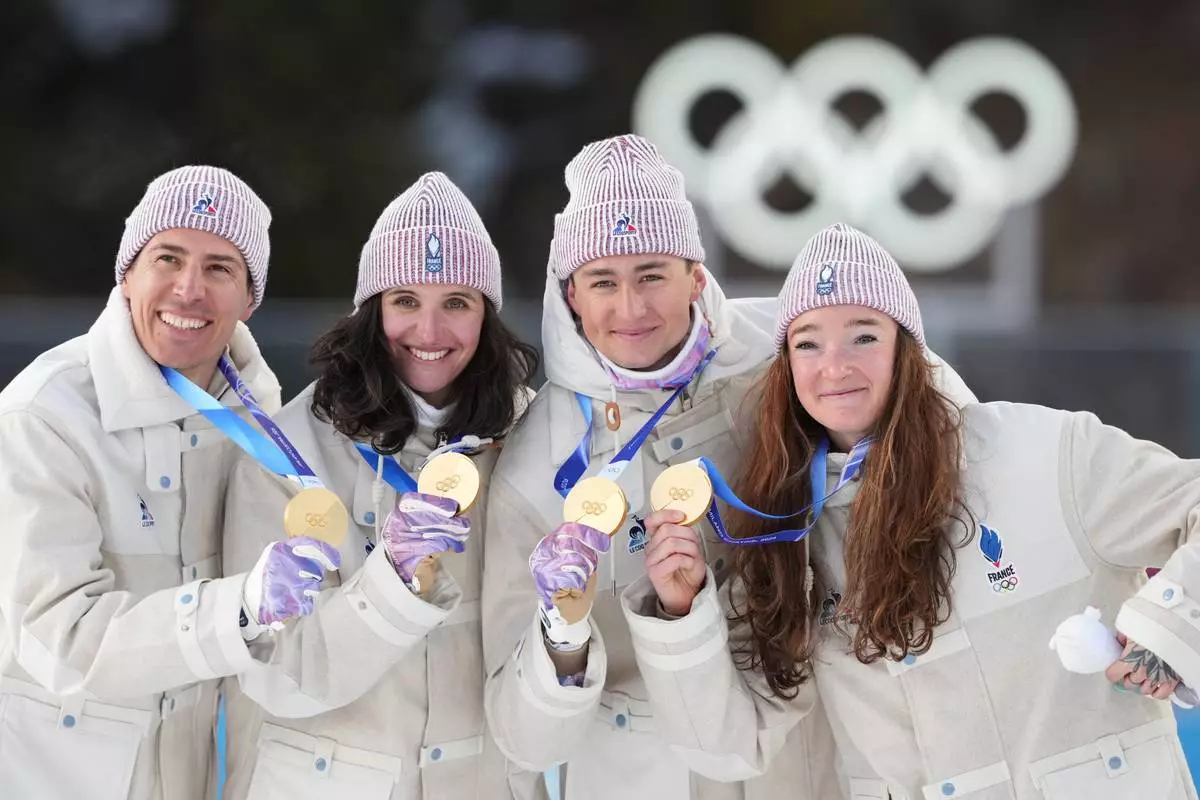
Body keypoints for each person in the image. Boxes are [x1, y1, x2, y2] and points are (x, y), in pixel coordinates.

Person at [620, 222, 1200, 799]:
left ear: (907, 349)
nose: (835, 365)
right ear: (787, 366)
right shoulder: (784, 534)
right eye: (808, 342)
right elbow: (728, 744)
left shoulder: (1042, 452)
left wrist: (1172, 630)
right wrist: (680, 607)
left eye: (864, 336)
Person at [481, 134, 974, 799]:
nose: (631, 309)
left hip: (811, 762)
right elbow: (521, 738)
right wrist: (559, 630)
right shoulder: (539, 460)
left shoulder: (795, 349)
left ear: (695, 273)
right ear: (571, 294)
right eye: (604, 281)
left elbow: (955, 441)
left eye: (652, 274)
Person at [0, 166, 340, 799]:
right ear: (127, 274)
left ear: (250, 298)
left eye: (220, 268)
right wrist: (241, 607)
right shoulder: (43, 416)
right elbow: (59, 639)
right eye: (168, 258)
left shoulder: (266, 423)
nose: (189, 289)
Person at [220, 172, 546, 800]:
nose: (429, 332)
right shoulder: (285, 453)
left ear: (487, 317)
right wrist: (390, 582)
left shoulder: (534, 439)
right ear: (370, 311)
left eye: (456, 302)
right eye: (405, 301)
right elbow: (275, 676)